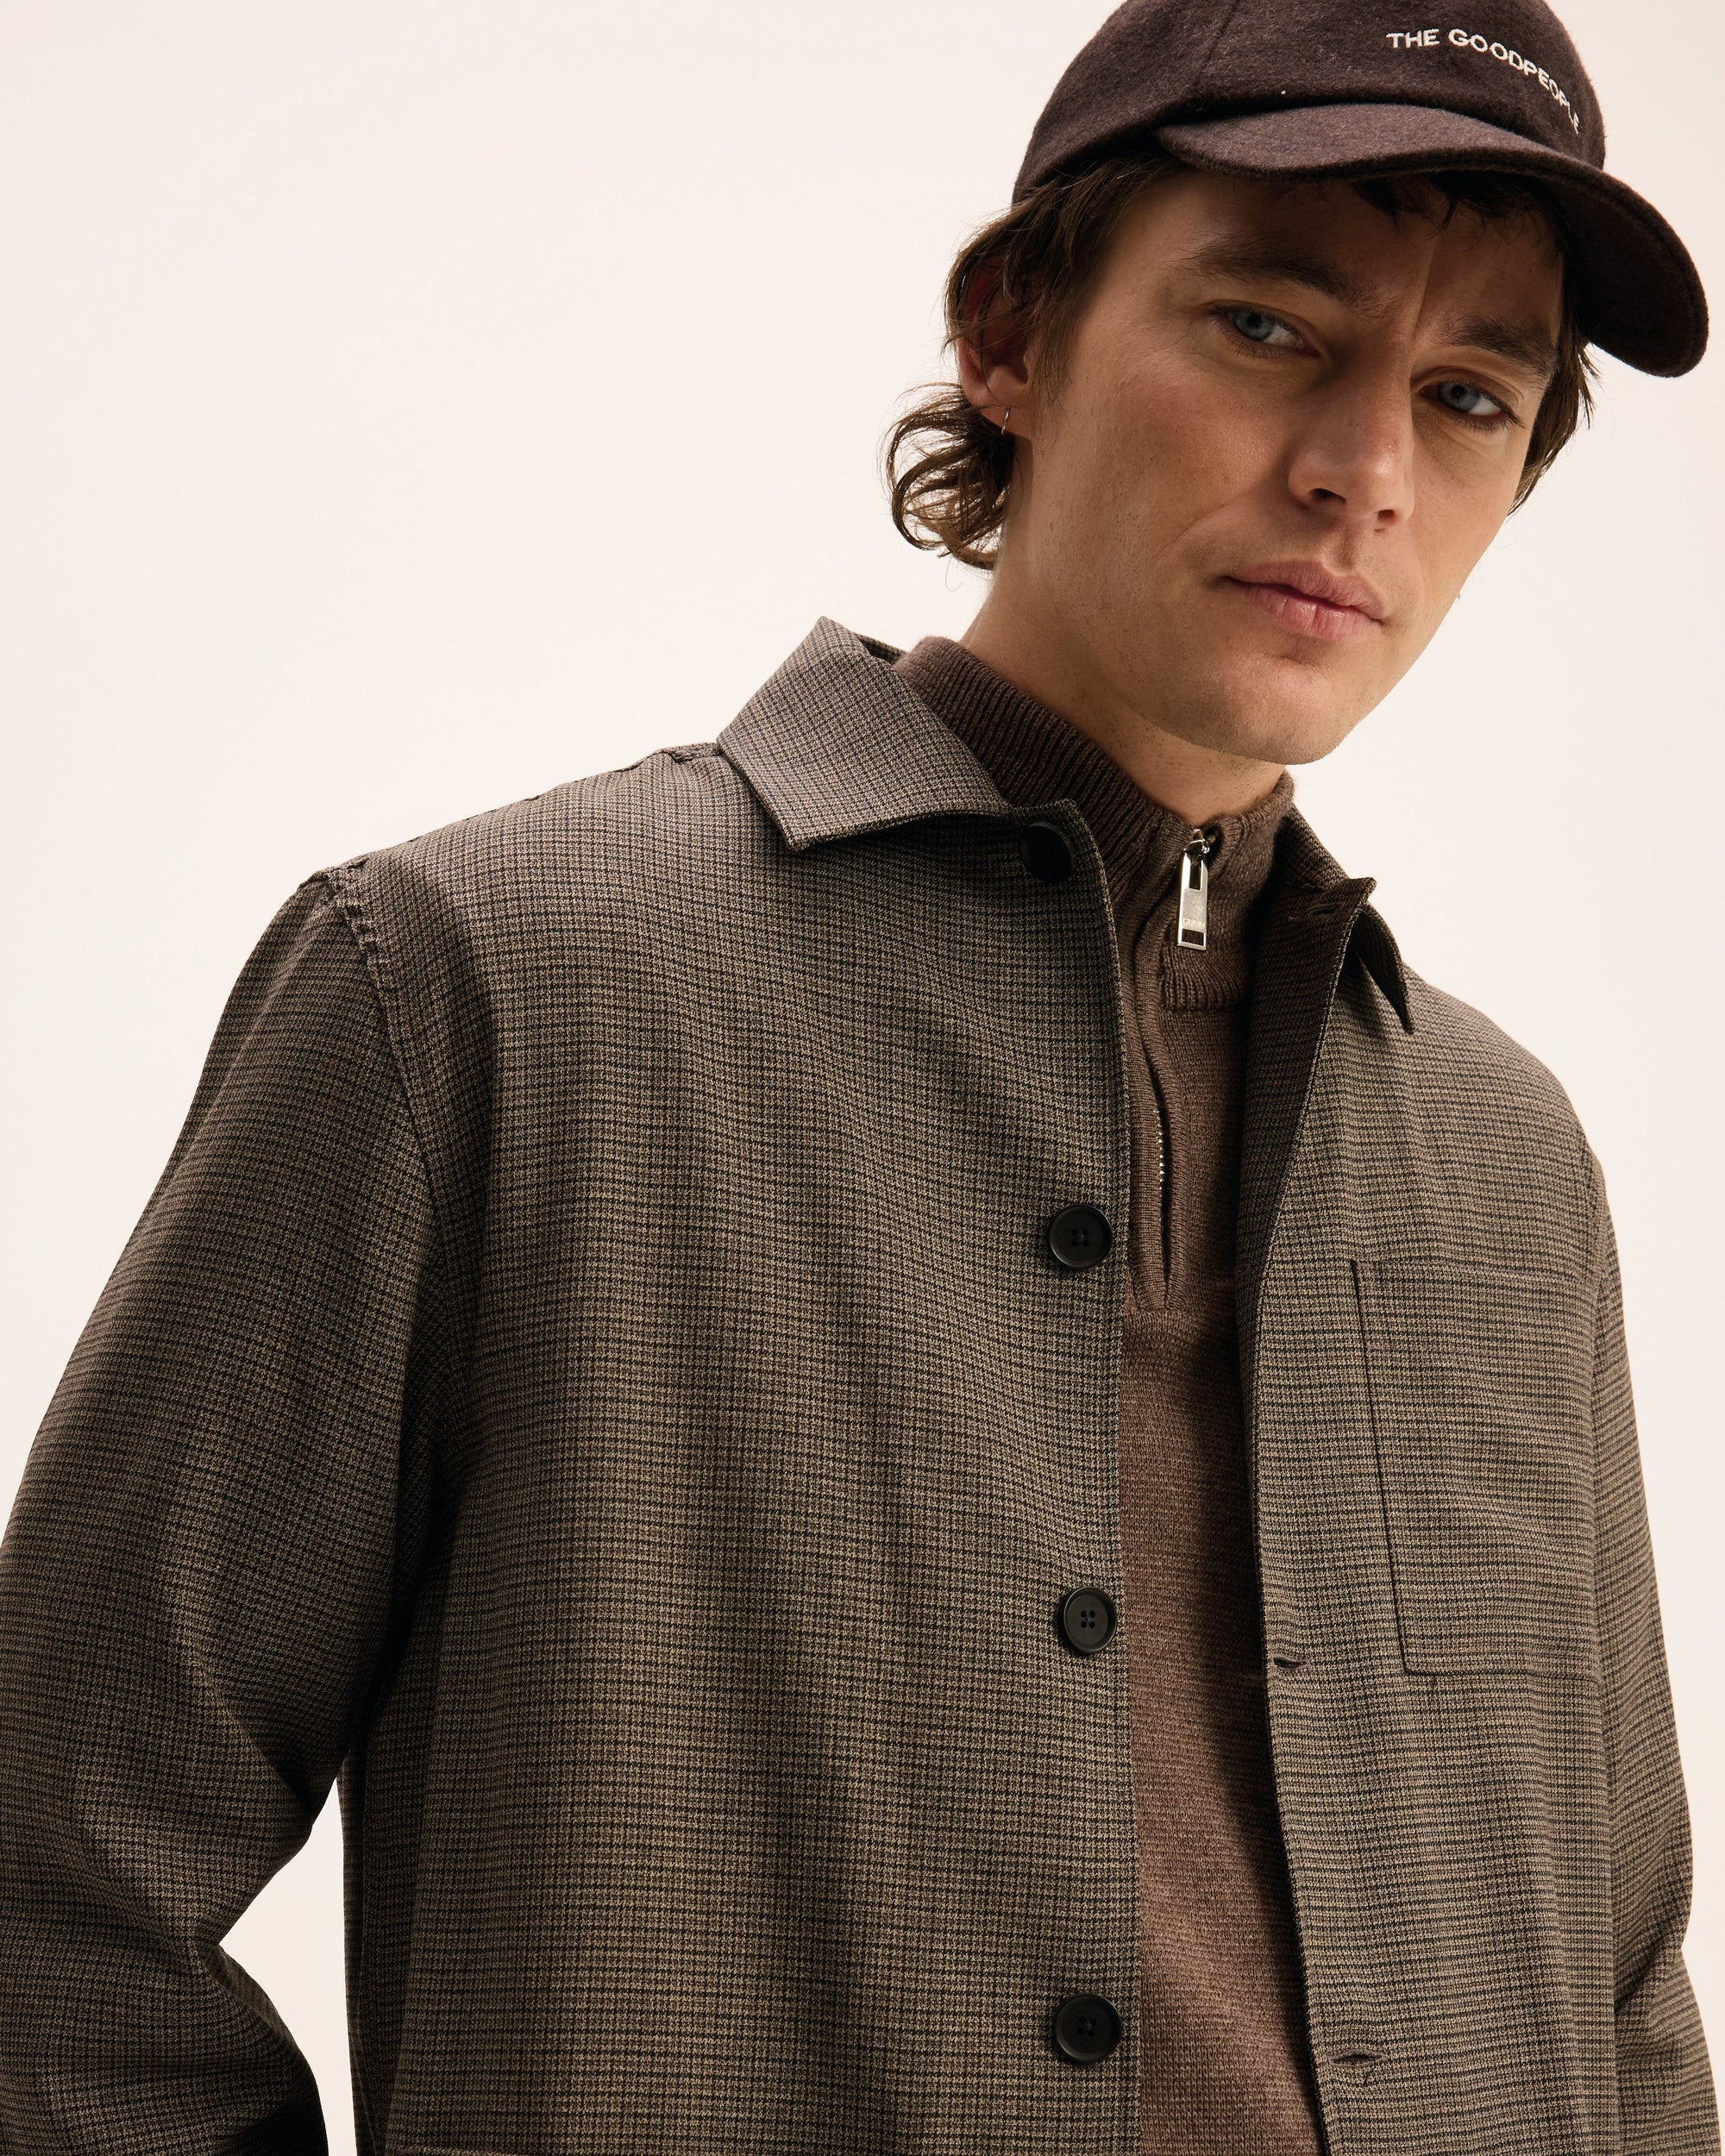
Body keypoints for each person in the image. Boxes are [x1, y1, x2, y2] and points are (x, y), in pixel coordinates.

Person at [0, 0, 1714, 2149]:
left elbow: (1622, 1996)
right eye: (1269, 326)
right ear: (1011, 334)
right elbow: (54, 1896)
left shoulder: (1499, 1158)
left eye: (1468, 395)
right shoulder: (485, 989)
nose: (1362, 469)